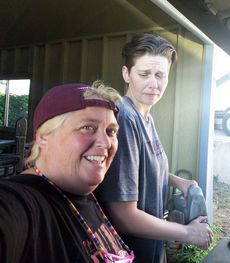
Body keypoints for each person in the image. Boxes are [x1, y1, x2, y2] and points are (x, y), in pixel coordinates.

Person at [95, 33, 212, 263]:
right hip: (129, 252)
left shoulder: (146, 117)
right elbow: (123, 216)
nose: (153, 83)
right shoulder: (125, 119)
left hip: (151, 246)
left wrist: (177, 181)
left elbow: (141, 167)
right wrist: (188, 233)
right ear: (126, 74)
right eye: (144, 74)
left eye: (160, 75)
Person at [0, 81, 134, 263]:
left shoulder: (85, 194)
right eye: (87, 127)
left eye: (111, 131)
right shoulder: (20, 202)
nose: (106, 143)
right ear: (43, 137)